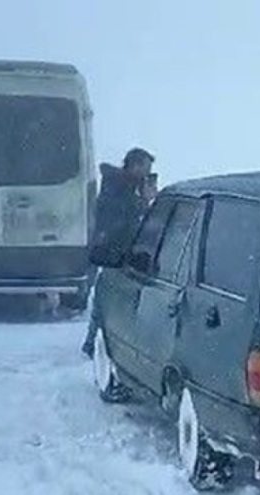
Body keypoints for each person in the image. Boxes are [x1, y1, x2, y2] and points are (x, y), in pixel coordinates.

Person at [82, 147, 156, 358]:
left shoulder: (125, 186)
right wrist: (144, 201)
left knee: (106, 297)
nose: (147, 173)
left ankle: (93, 340)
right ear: (134, 165)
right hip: (113, 252)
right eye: (145, 168)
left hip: (118, 251)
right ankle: (95, 342)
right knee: (108, 297)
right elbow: (119, 217)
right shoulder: (116, 186)